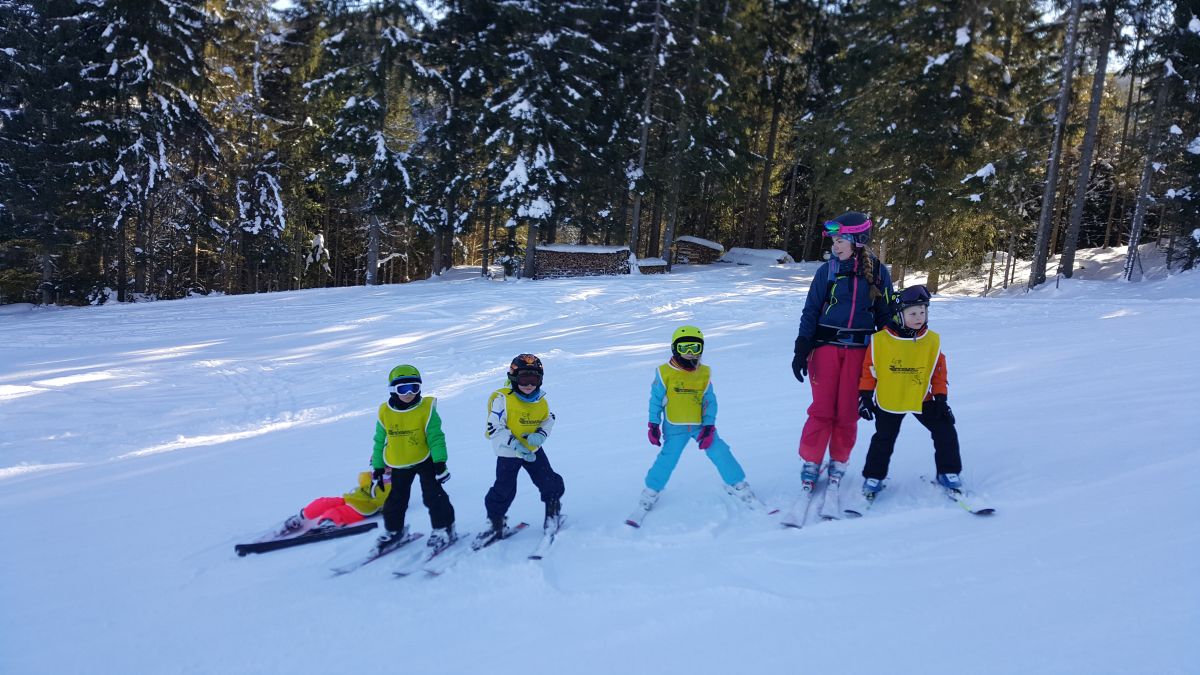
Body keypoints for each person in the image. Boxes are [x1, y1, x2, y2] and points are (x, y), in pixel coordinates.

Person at [791, 211, 895, 492]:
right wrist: (801, 347)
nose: (835, 247)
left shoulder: (879, 273)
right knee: (822, 409)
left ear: (858, 241)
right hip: (825, 349)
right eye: (834, 241)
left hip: (860, 353)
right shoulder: (827, 271)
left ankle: (839, 460)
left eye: (840, 241)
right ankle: (811, 461)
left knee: (848, 412)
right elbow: (811, 309)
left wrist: (891, 351)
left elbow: (886, 316)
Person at [636, 325, 759, 515]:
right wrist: (653, 424)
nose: (690, 353)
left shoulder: (703, 373)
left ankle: (737, 484)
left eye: (695, 347)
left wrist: (709, 426)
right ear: (675, 349)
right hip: (674, 427)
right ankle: (651, 492)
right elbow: (656, 400)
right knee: (667, 459)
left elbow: (710, 401)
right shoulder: (664, 372)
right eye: (684, 348)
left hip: (700, 426)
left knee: (720, 451)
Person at [857, 284, 964, 498]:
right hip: (891, 398)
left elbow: (938, 371)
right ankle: (874, 477)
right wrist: (866, 397)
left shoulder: (931, 341)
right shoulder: (880, 341)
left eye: (922, 312)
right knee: (884, 439)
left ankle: (948, 472)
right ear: (899, 315)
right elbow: (869, 371)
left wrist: (941, 398)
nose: (919, 318)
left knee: (945, 430)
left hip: (922, 397)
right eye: (912, 313)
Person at [478, 354, 564, 546]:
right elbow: (495, 428)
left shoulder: (540, 400)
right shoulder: (502, 399)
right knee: (504, 488)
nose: (529, 385)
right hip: (508, 452)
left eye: (534, 379)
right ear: (514, 377)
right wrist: (514, 444)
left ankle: (552, 512)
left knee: (548, 480)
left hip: (532, 449)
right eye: (524, 379)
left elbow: (548, 418)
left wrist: (541, 434)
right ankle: (495, 522)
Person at [371, 364, 457, 553]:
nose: (409, 393)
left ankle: (444, 527)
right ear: (393, 389)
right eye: (403, 389)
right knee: (395, 499)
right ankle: (395, 531)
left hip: (425, 460)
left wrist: (440, 462)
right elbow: (379, 440)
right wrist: (378, 465)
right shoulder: (385, 412)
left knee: (433, 495)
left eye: (414, 388)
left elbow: (436, 437)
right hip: (398, 461)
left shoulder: (426, 409)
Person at [276, 470, 391, 537]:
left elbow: (384, 502)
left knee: (336, 512)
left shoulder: (391, 484)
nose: (385, 469)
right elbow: (362, 479)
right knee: (324, 502)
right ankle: (301, 517)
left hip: (363, 508)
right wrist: (370, 476)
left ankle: (328, 523)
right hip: (350, 499)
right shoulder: (375, 474)